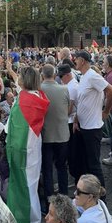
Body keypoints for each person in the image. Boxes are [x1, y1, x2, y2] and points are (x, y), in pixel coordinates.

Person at [6, 66, 50, 223]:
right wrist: (10, 70)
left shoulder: (24, 99)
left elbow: (19, 130)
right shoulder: (36, 96)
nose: (17, 80)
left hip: (22, 151)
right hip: (32, 149)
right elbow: (19, 86)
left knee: (25, 187)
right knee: (29, 186)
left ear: (25, 80)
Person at [72, 51, 112, 185]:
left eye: (76, 59)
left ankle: (101, 195)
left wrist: (106, 111)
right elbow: (82, 101)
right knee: (85, 163)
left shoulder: (92, 76)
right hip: (84, 126)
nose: (74, 61)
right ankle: (88, 191)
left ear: (82, 61)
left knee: (94, 165)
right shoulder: (84, 76)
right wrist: (76, 119)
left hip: (92, 128)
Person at [40, 63, 72, 199]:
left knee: (47, 169)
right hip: (62, 134)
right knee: (62, 167)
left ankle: (49, 200)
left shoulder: (39, 90)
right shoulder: (64, 89)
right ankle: (64, 197)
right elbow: (68, 110)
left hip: (45, 135)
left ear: (42, 75)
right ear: (54, 75)